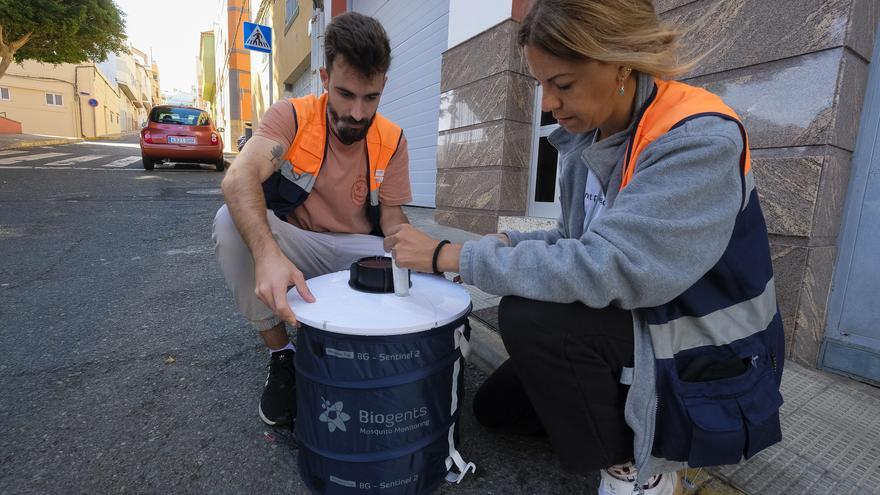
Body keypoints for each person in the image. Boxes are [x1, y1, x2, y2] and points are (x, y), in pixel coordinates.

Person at [384, 1, 785, 494]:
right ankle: (617, 419)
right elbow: (580, 240)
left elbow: (615, 266)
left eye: (563, 84)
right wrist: (508, 241)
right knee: (495, 410)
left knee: (529, 318)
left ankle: (642, 470)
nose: (549, 105)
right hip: (641, 319)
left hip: (702, 341)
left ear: (620, 61)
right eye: (542, 85)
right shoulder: (588, 138)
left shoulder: (698, 138)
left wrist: (451, 254)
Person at [213, 12, 411, 427]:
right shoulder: (292, 116)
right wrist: (266, 252)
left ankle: (379, 351)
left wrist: (427, 254)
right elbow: (238, 177)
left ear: (384, 87)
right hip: (296, 245)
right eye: (345, 94)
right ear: (324, 77)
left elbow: (392, 221)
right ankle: (282, 355)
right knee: (229, 223)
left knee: (426, 273)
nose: (357, 113)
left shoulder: (392, 139)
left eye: (370, 98)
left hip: (359, 252)